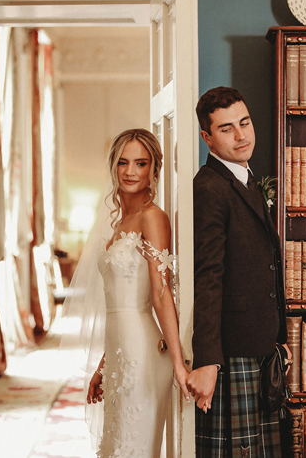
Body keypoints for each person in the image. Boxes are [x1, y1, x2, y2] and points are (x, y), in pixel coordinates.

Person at [68, 128, 190, 457]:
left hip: (144, 355)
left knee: (134, 446)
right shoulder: (122, 223)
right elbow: (117, 308)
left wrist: (179, 363)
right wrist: (102, 367)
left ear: (154, 169)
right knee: (118, 445)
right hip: (119, 352)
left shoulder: (153, 218)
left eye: (141, 163)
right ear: (113, 167)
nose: (130, 171)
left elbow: (161, 294)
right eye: (123, 162)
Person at [187, 86, 288, 457]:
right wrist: (208, 360)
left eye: (244, 123)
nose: (241, 135)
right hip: (232, 353)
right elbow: (207, 275)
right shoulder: (209, 187)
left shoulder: (246, 178)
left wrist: (281, 335)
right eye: (227, 128)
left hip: (262, 345)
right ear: (207, 137)